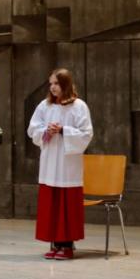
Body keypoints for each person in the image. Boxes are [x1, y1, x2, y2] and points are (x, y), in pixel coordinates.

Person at [27, 68, 93, 260]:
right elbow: (32, 129)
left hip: (67, 163)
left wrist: (64, 130)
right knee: (52, 203)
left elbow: (86, 133)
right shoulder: (44, 106)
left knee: (66, 204)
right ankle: (55, 244)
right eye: (51, 83)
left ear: (65, 84)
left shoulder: (79, 106)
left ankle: (67, 246)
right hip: (50, 161)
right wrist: (46, 130)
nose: (52, 87)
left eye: (56, 83)